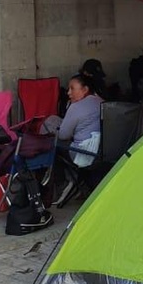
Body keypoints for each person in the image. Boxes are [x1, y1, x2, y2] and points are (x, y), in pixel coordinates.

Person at [49, 75, 104, 205]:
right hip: (102, 152)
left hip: (83, 154)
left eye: (72, 89)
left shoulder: (76, 107)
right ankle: (78, 184)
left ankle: (65, 182)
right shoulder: (101, 101)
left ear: (85, 89)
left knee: (51, 144)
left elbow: (63, 135)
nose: (68, 93)